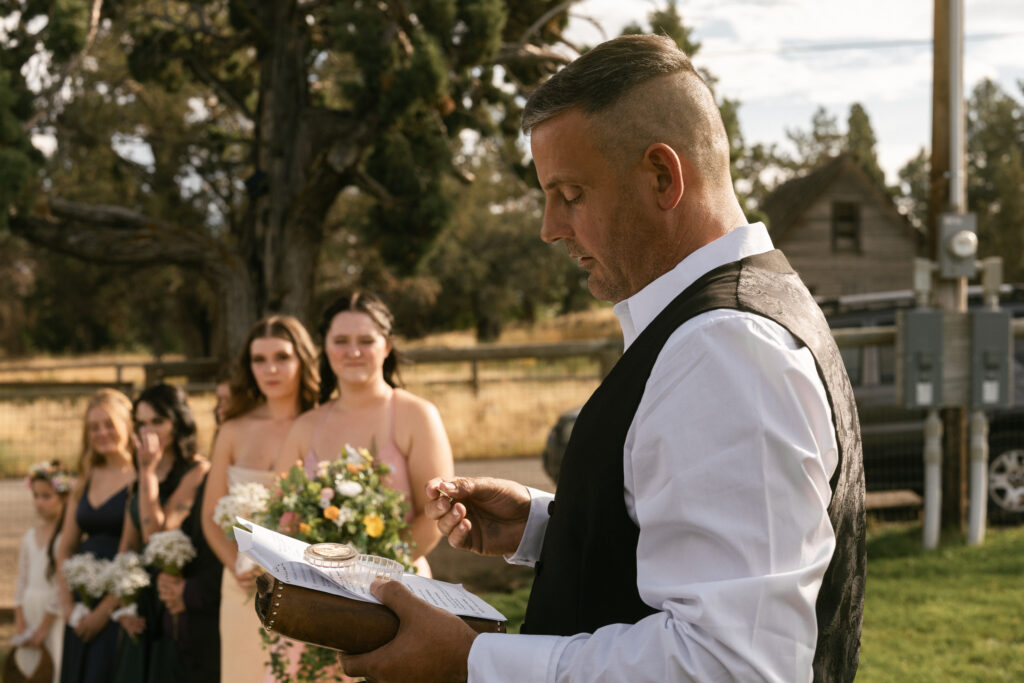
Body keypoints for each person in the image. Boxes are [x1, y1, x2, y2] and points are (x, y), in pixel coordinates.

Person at [339, 34, 865, 683]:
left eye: (570, 193)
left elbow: (731, 664)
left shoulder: (725, 348)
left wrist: (470, 661)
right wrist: (550, 526)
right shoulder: (735, 314)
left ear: (662, 177)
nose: (549, 227)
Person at [276, 291, 455, 578]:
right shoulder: (305, 426)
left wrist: (372, 574)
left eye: (366, 341)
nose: (354, 352)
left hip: (400, 582)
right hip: (319, 586)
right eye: (341, 341)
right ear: (325, 346)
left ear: (387, 346)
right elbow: (284, 513)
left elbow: (435, 512)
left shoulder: (417, 416)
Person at [199, 315, 319, 683]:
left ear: (303, 360)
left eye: (282, 357)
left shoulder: (324, 424)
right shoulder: (233, 429)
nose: (270, 369)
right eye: (259, 359)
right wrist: (238, 567)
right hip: (242, 585)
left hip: (309, 586)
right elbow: (210, 516)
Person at [114, 384, 216, 682]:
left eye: (157, 421)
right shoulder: (138, 477)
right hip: (141, 602)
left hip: (174, 601)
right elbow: (128, 545)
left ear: (178, 422)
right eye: (142, 424)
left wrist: (147, 472)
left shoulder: (198, 472)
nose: (148, 432)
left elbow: (156, 538)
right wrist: (125, 604)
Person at [56, 389, 137, 683]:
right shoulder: (86, 477)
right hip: (81, 601)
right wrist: (69, 607)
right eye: (93, 427)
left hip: (119, 602)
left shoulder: (140, 478)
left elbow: (131, 551)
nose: (101, 433)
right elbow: (65, 547)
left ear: (127, 425)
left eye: (108, 424)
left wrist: (103, 612)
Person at [13, 460, 72, 683]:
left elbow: (62, 584)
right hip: (30, 613)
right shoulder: (30, 536)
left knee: (53, 668)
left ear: (63, 498)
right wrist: (21, 623)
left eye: (46, 496)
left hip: (53, 616)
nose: (39, 502)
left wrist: (44, 628)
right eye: (36, 496)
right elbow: (21, 581)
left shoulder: (66, 538)